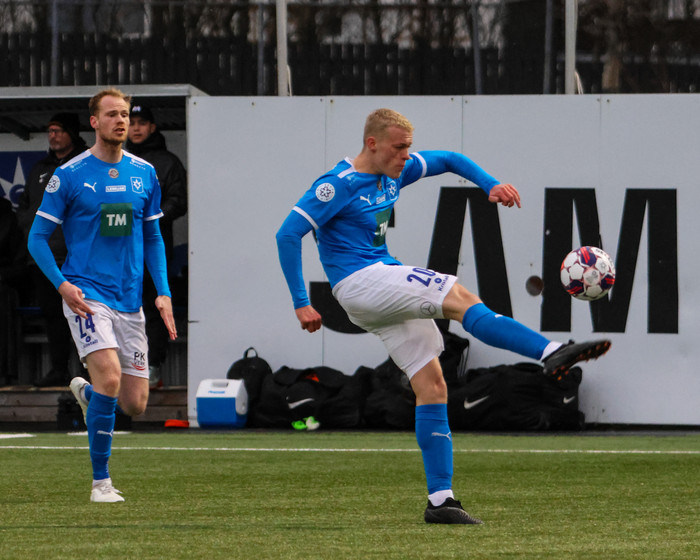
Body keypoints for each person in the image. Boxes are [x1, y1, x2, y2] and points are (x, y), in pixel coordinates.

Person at [276, 108, 611, 525]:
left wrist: (491, 184)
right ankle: (550, 352)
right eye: (399, 148)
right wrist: (300, 301)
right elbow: (288, 233)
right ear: (372, 144)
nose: (406, 156)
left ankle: (441, 500)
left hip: (375, 289)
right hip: (361, 282)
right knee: (460, 297)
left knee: (433, 385)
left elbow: (450, 158)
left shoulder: (393, 172)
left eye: (408, 148)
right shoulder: (336, 185)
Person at [27, 88, 177, 503]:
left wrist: (163, 293)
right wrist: (63, 284)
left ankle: (91, 398)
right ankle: (101, 483)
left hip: (130, 298)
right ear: (94, 122)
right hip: (86, 293)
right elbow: (37, 238)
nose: (121, 120)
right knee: (110, 376)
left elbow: (153, 237)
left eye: (125, 114)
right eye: (112, 114)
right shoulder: (69, 175)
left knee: (135, 404)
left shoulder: (145, 173)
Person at [16, 113, 88, 387]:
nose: (53, 136)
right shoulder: (40, 169)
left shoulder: (85, 164)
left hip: (78, 258)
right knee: (53, 316)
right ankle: (59, 370)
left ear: (72, 133)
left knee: (86, 315)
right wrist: (29, 224)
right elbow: (25, 207)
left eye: (59, 130)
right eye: (50, 131)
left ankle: (91, 372)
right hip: (45, 258)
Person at [126, 103, 187, 389]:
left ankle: (151, 367)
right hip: (118, 251)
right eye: (131, 122)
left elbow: (179, 201)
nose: (135, 128)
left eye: (141, 123)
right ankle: (125, 368)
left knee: (153, 307)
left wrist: (151, 217)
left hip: (153, 248)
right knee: (121, 309)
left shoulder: (167, 162)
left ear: (152, 127)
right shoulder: (116, 159)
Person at [0, 197, 29, 385]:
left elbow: (21, 267)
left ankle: (4, 373)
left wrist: (2, 275)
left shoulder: (7, 220)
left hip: (5, 284)